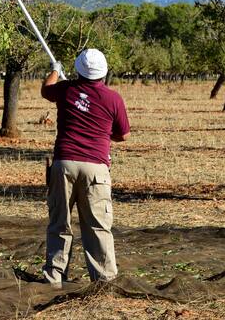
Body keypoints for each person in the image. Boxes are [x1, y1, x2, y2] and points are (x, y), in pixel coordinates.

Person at [40, 49, 130, 286]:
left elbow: (45, 89)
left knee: (60, 221)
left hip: (64, 164)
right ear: (103, 72)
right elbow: (123, 134)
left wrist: (55, 71)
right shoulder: (113, 98)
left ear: (78, 69)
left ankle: (55, 276)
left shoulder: (65, 89)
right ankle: (104, 280)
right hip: (96, 168)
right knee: (98, 225)